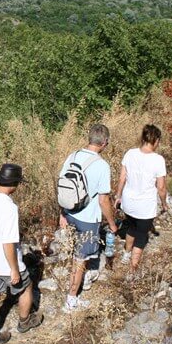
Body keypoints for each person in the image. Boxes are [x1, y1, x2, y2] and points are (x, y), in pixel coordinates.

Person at [0, 163, 43, 344]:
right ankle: (24, 321)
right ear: (14, 184)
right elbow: (8, 242)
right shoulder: (9, 207)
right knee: (26, 287)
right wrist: (14, 269)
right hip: (5, 264)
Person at [58, 124, 118, 312]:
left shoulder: (73, 156)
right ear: (105, 143)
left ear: (89, 138)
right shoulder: (102, 165)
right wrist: (112, 223)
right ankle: (71, 300)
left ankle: (73, 288)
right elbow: (103, 200)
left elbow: (62, 186)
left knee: (73, 254)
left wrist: (62, 214)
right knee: (80, 259)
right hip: (87, 219)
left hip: (69, 213)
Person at [114, 124, 168, 276]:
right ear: (156, 140)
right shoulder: (158, 160)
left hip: (128, 203)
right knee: (141, 236)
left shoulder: (130, 153)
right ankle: (132, 270)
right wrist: (164, 204)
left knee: (131, 228)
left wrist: (118, 196)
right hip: (145, 206)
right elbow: (161, 187)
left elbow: (122, 178)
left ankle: (126, 254)